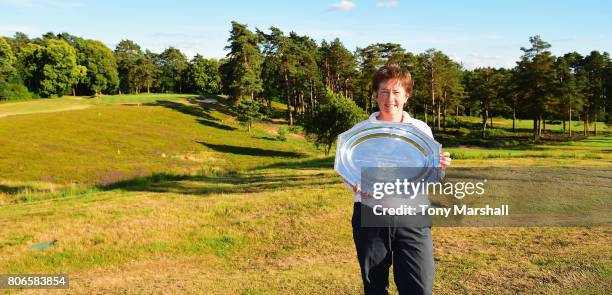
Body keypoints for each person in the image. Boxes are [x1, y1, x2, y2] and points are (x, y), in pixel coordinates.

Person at [344, 62, 451, 295]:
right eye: (384, 91)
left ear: (407, 96)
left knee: (419, 288)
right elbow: (350, 170)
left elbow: (429, 176)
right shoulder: (360, 132)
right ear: (375, 95)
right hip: (371, 216)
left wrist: (439, 167)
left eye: (396, 92)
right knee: (375, 289)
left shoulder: (421, 130)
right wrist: (355, 183)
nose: (389, 98)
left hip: (412, 217)